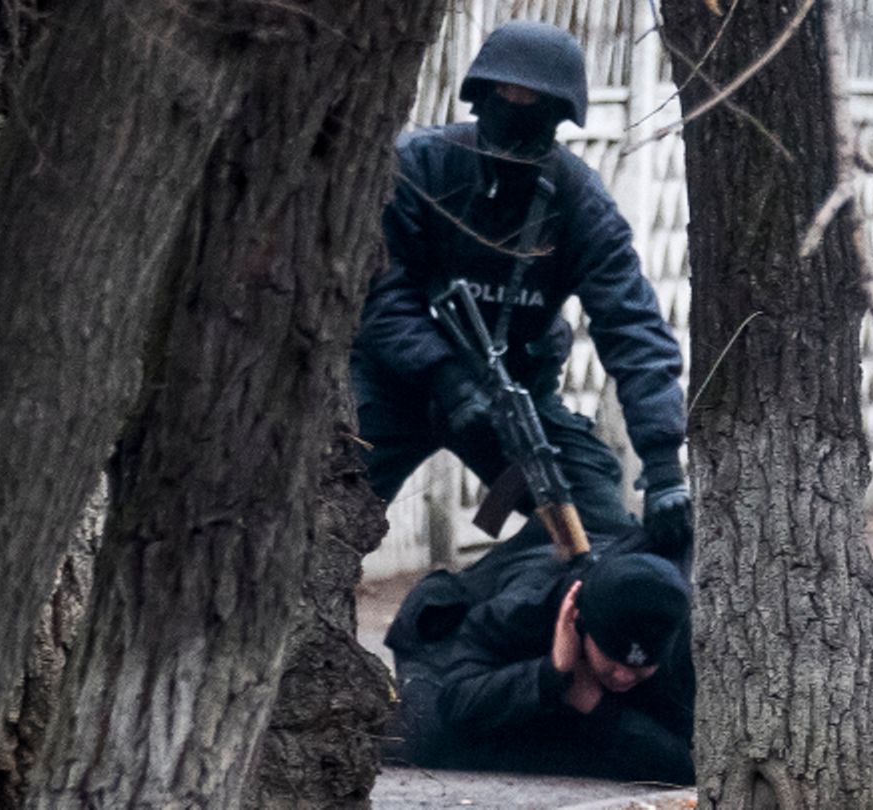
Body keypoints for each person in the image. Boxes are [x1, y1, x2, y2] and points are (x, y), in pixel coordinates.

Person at [350, 20, 692, 563]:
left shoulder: (578, 201)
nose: (516, 109)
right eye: (505, 94)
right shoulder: (420, 167)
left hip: (510, 400)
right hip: (396, 389)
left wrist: (664, 466)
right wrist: (444, 376)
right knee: (323, 520)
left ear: (560, 115)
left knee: (602, 539)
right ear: (480, 97)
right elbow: (379, 293)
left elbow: (632, 326)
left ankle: (518, 604)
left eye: (532, 101)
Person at [383, 548, 695, 784]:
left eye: (641, 667)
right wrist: (550, 674)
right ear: (579, 623)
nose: (624, 675)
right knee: (431, 742)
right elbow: (457, 701)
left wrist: (598, 708)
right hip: (445, 637)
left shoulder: (681, 638)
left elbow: (695, 762)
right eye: (612, 659)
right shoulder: (524, 608)